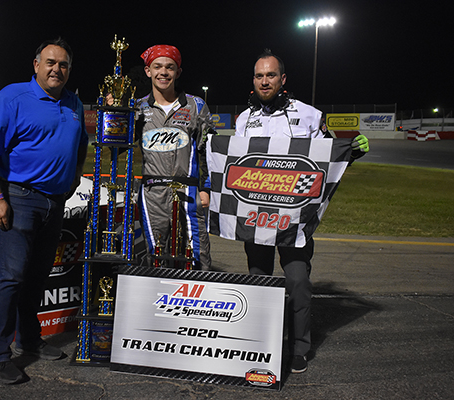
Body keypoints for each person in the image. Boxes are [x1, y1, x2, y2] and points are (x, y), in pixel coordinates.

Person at [234, 49, 369, 374]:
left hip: (295, 220)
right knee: (259, 281)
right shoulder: (242, 119)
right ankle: (261, 344)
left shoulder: (310, 114)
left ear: (283, 79)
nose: (264, 80)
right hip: (257, 218)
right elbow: (234, 165)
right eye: (259, 75)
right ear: (254, 80)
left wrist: (350, 153)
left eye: (270, 75)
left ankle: (299, 348)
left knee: (297, 282)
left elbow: (326, 157)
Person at [0, 38, 88, 384]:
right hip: (20, 198)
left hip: (55, 202)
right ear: (36, 65)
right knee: (11, 279)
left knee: (37, 278)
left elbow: (80, 144)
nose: (57, 69)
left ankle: (30, 340)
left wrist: (71, 182)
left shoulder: (73, 102)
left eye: (64, 64)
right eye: (51, 63)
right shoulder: (12, 97)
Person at [135, 44, 215, 270]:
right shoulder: (138, 108)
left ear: (178, 72)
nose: (163, 72)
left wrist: (206, 188)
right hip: (152, 193)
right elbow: (117, 143)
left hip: (188, 191)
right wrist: (114, 112)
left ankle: (198, 301)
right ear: (148, 71)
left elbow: (207, 151)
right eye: (157, 66)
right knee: (157, 254)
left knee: (197, 254)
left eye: (170, 67)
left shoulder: (195, 105)